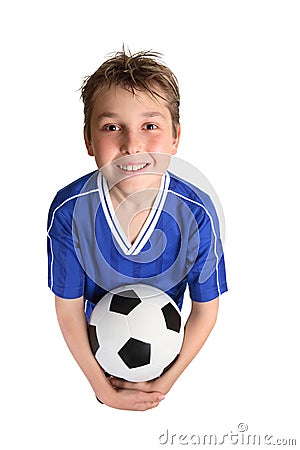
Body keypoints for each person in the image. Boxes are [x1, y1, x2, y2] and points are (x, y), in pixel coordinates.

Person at [47, 49, 228, 411]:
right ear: (88, 140)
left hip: (166, 360)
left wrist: (164, 384)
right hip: (98, 358)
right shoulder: (70, 210)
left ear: (176, 137)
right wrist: (102, 389)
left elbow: (206, 308)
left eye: (150, 126)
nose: (132, 145)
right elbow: (68, 308)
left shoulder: (196, 212)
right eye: (112, 127)